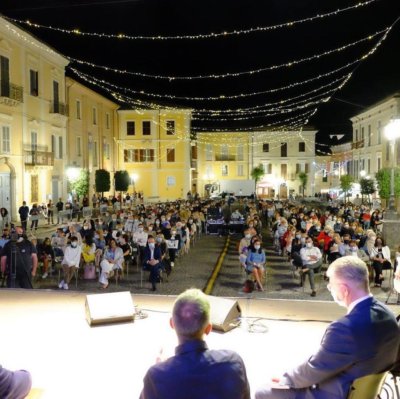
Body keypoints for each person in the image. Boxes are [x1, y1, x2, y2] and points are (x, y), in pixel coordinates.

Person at [255, 256, 400, 399]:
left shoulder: (344, 328)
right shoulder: (389, 315)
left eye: (331, 284)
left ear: (344, 289)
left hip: (337, 392)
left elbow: (314, 370)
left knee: (263, 391)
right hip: (366, 389)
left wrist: (286, 379)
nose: (329, 288)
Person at [140, 288, 250, 399]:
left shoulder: (155, 376)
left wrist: (160, 368)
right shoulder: (233, 362)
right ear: (208, 328)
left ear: (172, 324)